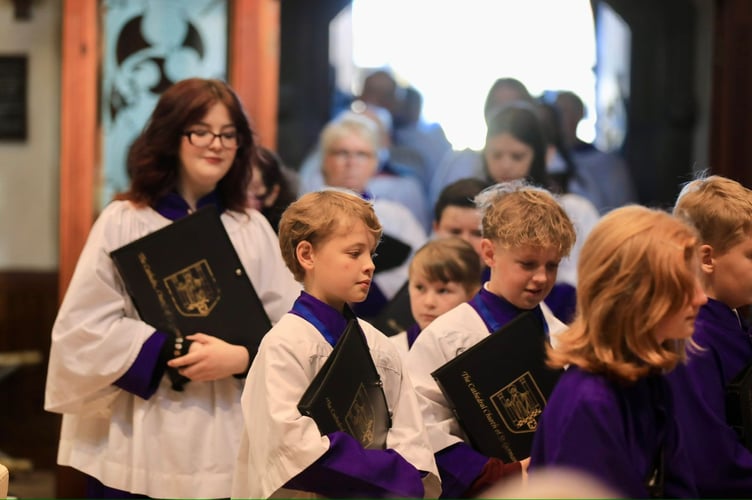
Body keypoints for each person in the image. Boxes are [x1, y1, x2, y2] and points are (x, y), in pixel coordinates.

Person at [44, 78, 301, 499]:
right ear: (170, 135)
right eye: (200, 130)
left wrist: (242, 357)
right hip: (142, 427)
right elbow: (81, 330)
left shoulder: (250, 228)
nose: (215, 144)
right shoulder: (125, 220)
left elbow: (290, 330)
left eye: (228, 133)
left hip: (226, 428)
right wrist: (168, 349)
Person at [231, 189, 441, 498]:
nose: (369, 265)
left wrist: (396, 475)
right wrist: (385, 471)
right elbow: (291, 449)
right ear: (307, 255)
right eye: (354, 253)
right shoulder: (284, 344)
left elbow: (411, 438)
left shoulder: (378, 345)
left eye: (371, 254)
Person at [407, 180, 576, 498]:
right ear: (489, 252)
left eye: (551, 265)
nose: (541, 277)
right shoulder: (445, 337)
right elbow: (422, 429)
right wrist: (497, 475)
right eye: (527, 264)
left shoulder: (566, 339)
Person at [529, 205, 705, 497]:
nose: (700, 297)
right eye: (683, 284)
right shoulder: (590, 403)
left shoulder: (648, 379)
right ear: (636, 295)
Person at [665, 175, 752, 496]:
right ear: (707, 258)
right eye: (751, 256)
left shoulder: (733, 319)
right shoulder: (692, 338)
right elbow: (710, 462)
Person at [483, 102, 600, 322]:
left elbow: (592, 276)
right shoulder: (480, 211)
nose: (505, 165)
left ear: (544, 155)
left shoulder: (574, 210)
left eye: (517, 156)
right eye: (496, 155)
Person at [317, 111, 427, 319]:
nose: (351, 162)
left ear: (375, 162)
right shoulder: (304, 213)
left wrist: (368, 290)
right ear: (325, 159)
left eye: (361, 154)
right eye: (342, 153)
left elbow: (421, 269)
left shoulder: (397, 216)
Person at [391, 237, 482, 354]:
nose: (429, 302)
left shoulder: (483, 350)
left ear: (472, 294)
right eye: (420, 287)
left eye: (443, 291)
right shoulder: (391, 351)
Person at [554, 90, 638, 214]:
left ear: (580, 114)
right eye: (556, 112)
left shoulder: (608, 162)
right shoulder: (549, 159)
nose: (559, 118)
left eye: (564, 111)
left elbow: (623, 206)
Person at [247, 145, 298, 233]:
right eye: (237, 186)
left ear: (273, 193)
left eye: (254, 188)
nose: (243, 197)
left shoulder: (287, 237)